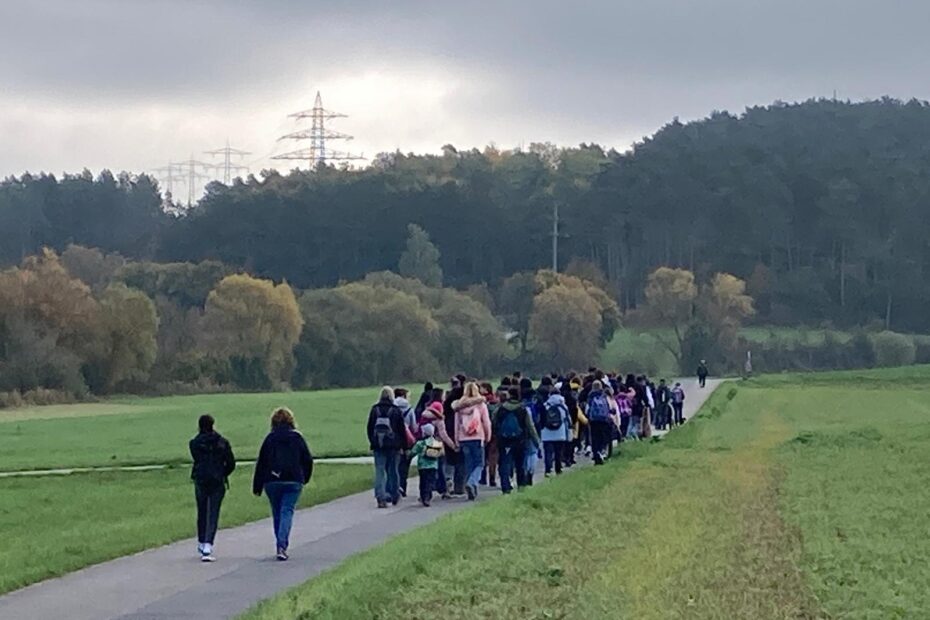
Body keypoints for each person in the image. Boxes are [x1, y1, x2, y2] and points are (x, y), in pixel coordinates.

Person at [252, 407, 313, 561]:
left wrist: (257, 485)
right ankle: (282, 545)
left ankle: (279, 542)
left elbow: (262, 462)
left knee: (277, 512)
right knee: (287, 511)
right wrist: (304, 477)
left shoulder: (270, 439)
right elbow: (307, 460)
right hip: (293, 480)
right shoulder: (297, 438)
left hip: (272, 480)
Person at [189, 414, 236, 562]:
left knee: (202, 510)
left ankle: (201, 541)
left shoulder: (194, 443)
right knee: (213, 511)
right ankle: (208, 544)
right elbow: (231, 463)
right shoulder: (222, 442)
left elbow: (196, 459)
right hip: (217, 479)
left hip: (201, 479)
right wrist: (223, 473)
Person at [366, 386, 407, 508]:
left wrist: (373, 441)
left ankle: (380, 497)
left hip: (378, 445)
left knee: (380, 471)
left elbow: (369, 428)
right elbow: (401, 430)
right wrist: (403, 446)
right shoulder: (395, 410)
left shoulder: (375, 409)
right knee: (393, 470)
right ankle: (394, 495)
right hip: (393, 446)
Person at [493, 386, 539, 493]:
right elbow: (530, 426)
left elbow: (494, 422)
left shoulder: (500, 409)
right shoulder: (522, 409)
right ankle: (521, 486)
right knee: (520, 464)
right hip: (520, 441)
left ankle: (505, 487)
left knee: (504, 463)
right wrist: (536, 440)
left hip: (504, 441)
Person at [453, 381, 492, 500]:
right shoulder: (481, 405)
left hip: (463, 438)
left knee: (469, 464)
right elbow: (486, 422)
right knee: (480, 463)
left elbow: (457, 425)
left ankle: (471, 487)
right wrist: (488, 435)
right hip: (477, 436)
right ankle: (472, 482)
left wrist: (456, 439)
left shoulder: (459, 407)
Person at [409, 423, 443, 506]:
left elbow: (413, 452)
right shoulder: (436, 442)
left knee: (423, 482)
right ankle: (428, 496)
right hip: (433, 466)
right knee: (430, 481)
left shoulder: (420, 443)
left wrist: (409, 455)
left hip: (422, 466)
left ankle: (423, 496)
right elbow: (440, 453)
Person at [540, 386, 570, 476]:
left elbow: (541, 418)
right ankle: (558, 468)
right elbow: (566, 418)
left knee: (548, 452)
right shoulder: (563, 405)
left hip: (547, 433)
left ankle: (548, 469)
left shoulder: (546, 405)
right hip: (560, 432)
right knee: (558, 452)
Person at [394, 387, 416, 498]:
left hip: (394, 439)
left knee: (394, 465)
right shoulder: (409, 409)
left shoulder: (392, 408)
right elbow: (414, 427)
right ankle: (402, 486)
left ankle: (394, 486)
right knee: (404, 466)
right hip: (407, 440)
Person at [586, 380, 612, 464]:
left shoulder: (590, 396)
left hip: (593, 420)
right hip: (604, 419)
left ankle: (596, 454)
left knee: (594, 438)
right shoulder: (604, 395)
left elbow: (587, 408)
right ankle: (601, 452)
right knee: (602, 437)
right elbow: (608, 406)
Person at [479, 382, 500, 487]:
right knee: (493, 458)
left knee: (484, 455)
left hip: (483, 432)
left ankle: (482, 477)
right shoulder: (496, 402)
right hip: (495, 433)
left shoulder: (481, 403)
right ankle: (492, 478)